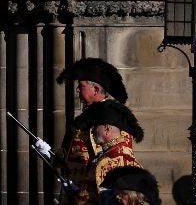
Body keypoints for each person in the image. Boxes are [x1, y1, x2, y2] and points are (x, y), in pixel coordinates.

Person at [35, 58, 132, 204]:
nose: (77, 90)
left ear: (96, 89)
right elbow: (74, 157)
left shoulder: (114, 118)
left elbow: (117, 160)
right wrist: (51, 156)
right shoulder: (84, 119)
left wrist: (85, 189)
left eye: (81, 86)